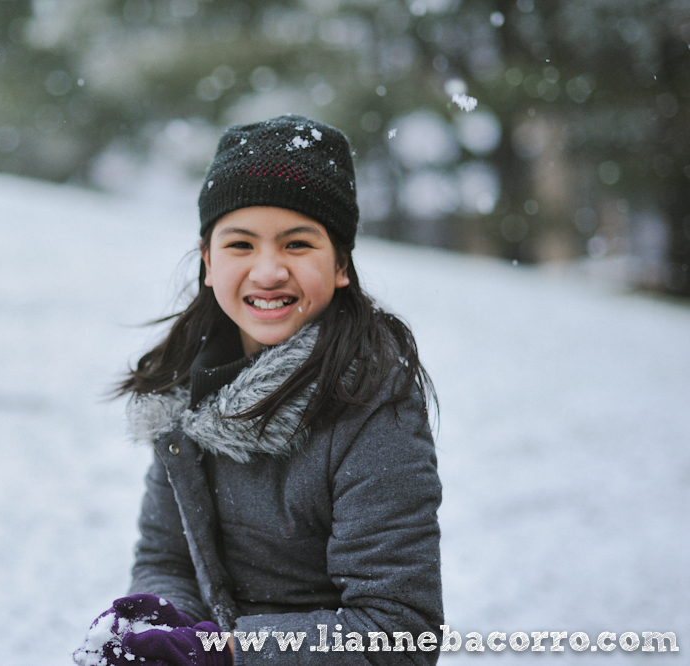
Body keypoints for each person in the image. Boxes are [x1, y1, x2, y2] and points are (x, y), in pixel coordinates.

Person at [73, 115, 442, 666]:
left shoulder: (371, 402)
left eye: (297, 244)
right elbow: (167, 558)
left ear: (340, 262)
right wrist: (159, 625)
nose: (268, 272)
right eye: (240, 244)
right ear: (208, 261)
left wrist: (227, 654)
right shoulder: (183, 391)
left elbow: (398, 632)